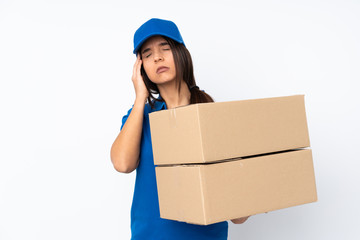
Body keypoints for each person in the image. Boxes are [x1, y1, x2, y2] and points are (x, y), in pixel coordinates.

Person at [111, 18, 249, 240]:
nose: (157, 57)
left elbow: (239, 215)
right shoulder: (139, 117)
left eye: (165, 48)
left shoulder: (211, 115)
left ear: (181, 54)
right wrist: (140, 99)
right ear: (141, 68)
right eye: (147, 54)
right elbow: (123, 164)